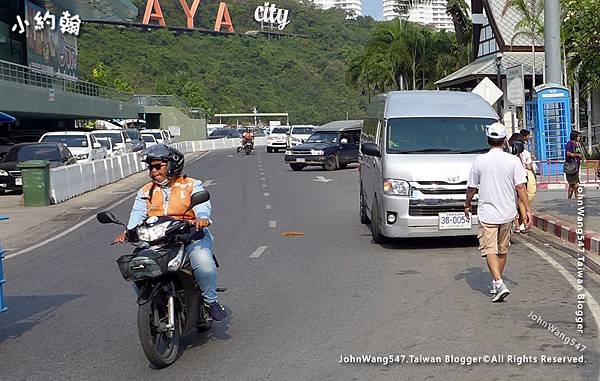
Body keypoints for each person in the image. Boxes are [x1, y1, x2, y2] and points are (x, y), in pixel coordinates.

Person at [114, 144, 227, 321]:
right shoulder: (146, 190)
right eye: (150, 167)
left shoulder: (191, 185)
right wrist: (129, 231)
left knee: (203, 263)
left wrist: (202, 217)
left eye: (158, 166)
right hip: (157, 238)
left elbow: (201, 203)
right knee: (138, 266)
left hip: (189, 234)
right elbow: (137, 213)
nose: (153, 172)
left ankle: (210, 301)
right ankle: (152, 303)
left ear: (172, 165)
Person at [464, 122, 532, 302]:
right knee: (502, 250)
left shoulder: (480, 161)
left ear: (488, 140)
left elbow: (471, 187)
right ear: (504, 141)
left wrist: (467, 203)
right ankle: (498, 283)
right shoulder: (513, 161)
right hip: (508, 212)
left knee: (489, 249)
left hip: (488, 212)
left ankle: (499, 282)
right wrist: (527, 211)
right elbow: (521, 188)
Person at [565, 130, 585, 199]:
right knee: (574, 184)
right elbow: (568, 153)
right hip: (571, 166)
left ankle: (574, 199)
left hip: (576, 167)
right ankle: (573, 199)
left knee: (574, 184)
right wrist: (577, 155)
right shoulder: (569, 144)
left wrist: (581, 157)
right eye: (578, 136)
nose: (579, 138)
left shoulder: (577, 144)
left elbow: (580, 154)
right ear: (575, 137)